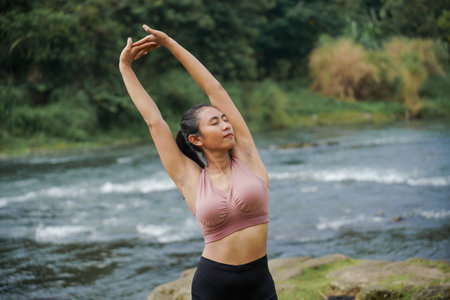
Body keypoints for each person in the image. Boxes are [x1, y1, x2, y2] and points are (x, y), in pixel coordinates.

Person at [119, 24, 278, 300]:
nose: (226, 125)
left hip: (259, 284)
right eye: (215, 122)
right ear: (196, 140)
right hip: (213, 285)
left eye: (225, 119)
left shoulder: (248, 158)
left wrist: (169, 43)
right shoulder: (190, 178)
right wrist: (125, 68)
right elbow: (154, 122)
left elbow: (213, 88)